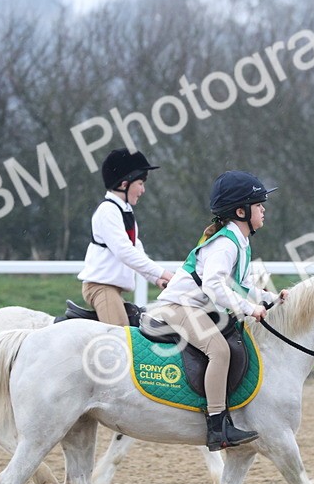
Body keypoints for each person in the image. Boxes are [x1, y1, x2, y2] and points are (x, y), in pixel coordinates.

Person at [152, 170, 288, 451]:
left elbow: (243, 287)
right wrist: (250, 309)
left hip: (195, 307)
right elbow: (215, 285)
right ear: (240, 211)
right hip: (177, 307)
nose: (263, 209)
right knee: (219, 350)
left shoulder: (241, 242)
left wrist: (271, 299)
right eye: (258, 204)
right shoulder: (226, 244)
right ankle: (217, 426)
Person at [77, 148, 175, 326]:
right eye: (140, 183)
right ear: (124, 184)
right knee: (123, 338)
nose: (143, 190)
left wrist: (156, 278)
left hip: (113, 290)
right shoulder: (108, 211)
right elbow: (125, 252)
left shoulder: (124, 210)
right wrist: (165, 273)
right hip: (101, 288)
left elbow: (137, 250)